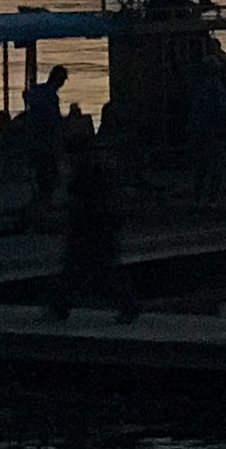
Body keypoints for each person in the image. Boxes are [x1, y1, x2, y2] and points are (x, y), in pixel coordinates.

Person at [42, 124, 138, 323]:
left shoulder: (84, 171)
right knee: (93, 269)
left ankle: (61, 307)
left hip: (90, 227)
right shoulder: (98, 167)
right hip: (99, 225)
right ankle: (61, 306)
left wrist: (63, 217)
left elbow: (79, 199)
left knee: (84, 269)